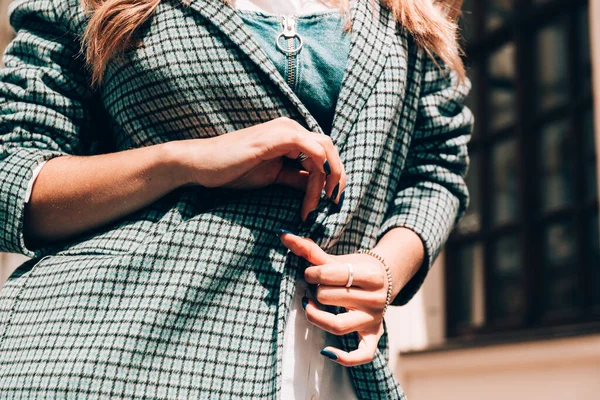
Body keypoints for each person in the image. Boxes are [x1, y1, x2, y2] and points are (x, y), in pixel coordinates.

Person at [0, 0, 472, 398]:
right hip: (110, 355)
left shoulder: (410, 10)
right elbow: (13, 180)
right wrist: (183, 161)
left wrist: (384, 270)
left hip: (338, 368)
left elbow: (435, 169)